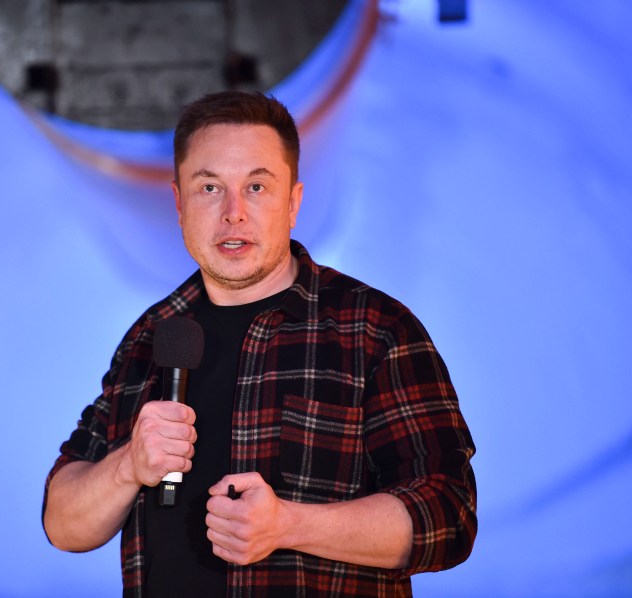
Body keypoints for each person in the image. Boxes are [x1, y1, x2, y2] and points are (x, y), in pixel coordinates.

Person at [42, 91, 477, 597]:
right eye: (209, 187)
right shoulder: (150, 337)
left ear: (292, 203)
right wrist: (127, 467)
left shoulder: (374, 328)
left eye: (256, 186)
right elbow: (62, 522)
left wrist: (289, 525)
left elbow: (449, 517)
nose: (233, 213)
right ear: (179, 204)